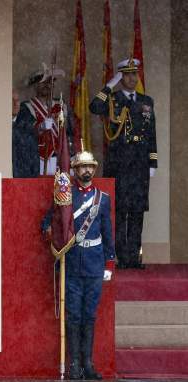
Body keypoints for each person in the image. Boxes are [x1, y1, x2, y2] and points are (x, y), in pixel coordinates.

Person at [42, 152, 115, 380]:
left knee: (89, 315)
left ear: (94, 170)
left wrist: (109, 263)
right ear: (74, 169)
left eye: (89, 167)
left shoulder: (102, 199)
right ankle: (74, 363)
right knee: (73, 314)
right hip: (72, 262)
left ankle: (88, 363)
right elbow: (48, 222)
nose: (86, 171)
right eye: (82, 167)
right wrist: (52, 233)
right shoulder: (66, 196)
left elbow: (107, 232)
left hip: (94, 261)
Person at [89, 58, 157, 269]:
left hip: (139, 164)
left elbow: (152, 133)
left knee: (137, 211)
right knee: (119, 211)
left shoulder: (147, 101)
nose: (132, 78)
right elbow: (94, 106)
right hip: (119, 162)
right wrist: (110, 85)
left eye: (134, 74)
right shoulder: (113, 99)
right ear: (121, 77)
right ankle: (120, 257)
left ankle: (133, 257)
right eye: (126, 74)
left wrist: (153, 161)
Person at [15, 64, 72, 176]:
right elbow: (22, 133)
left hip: (60, 155)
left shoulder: (62, 106)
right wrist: (39, 127)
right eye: (43, 82)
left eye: (49, 82)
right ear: (35, 85)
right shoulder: (26, 107)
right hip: (38, 156)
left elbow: (70, 131)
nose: (47, 85)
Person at [12, 88, 39, 178]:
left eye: (17, 100)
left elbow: (34, 156)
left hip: (24, 179)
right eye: (11, 100)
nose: (15, 104)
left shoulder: (28, 124)